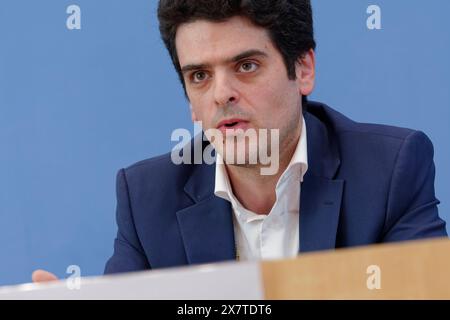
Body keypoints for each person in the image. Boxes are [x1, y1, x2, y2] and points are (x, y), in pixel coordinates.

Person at [32, 0, 447, 282]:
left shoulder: (389, 170)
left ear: (303, 69)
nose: (221, 94)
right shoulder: (146, 197)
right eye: (199, 76)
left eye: (246, 65)